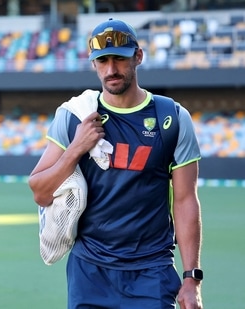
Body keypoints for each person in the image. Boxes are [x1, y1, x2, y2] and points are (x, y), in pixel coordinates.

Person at [28, 18, 203, 309]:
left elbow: (185, 201)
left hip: (151, 271)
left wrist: (191, 280)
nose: (111, 70)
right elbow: (40, 192)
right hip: (89, 272)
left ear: (138, 56)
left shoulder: (171, 118)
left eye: (120, 59)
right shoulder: (74, 117)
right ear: (93, 63)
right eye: (103, 60)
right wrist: (76, 149)